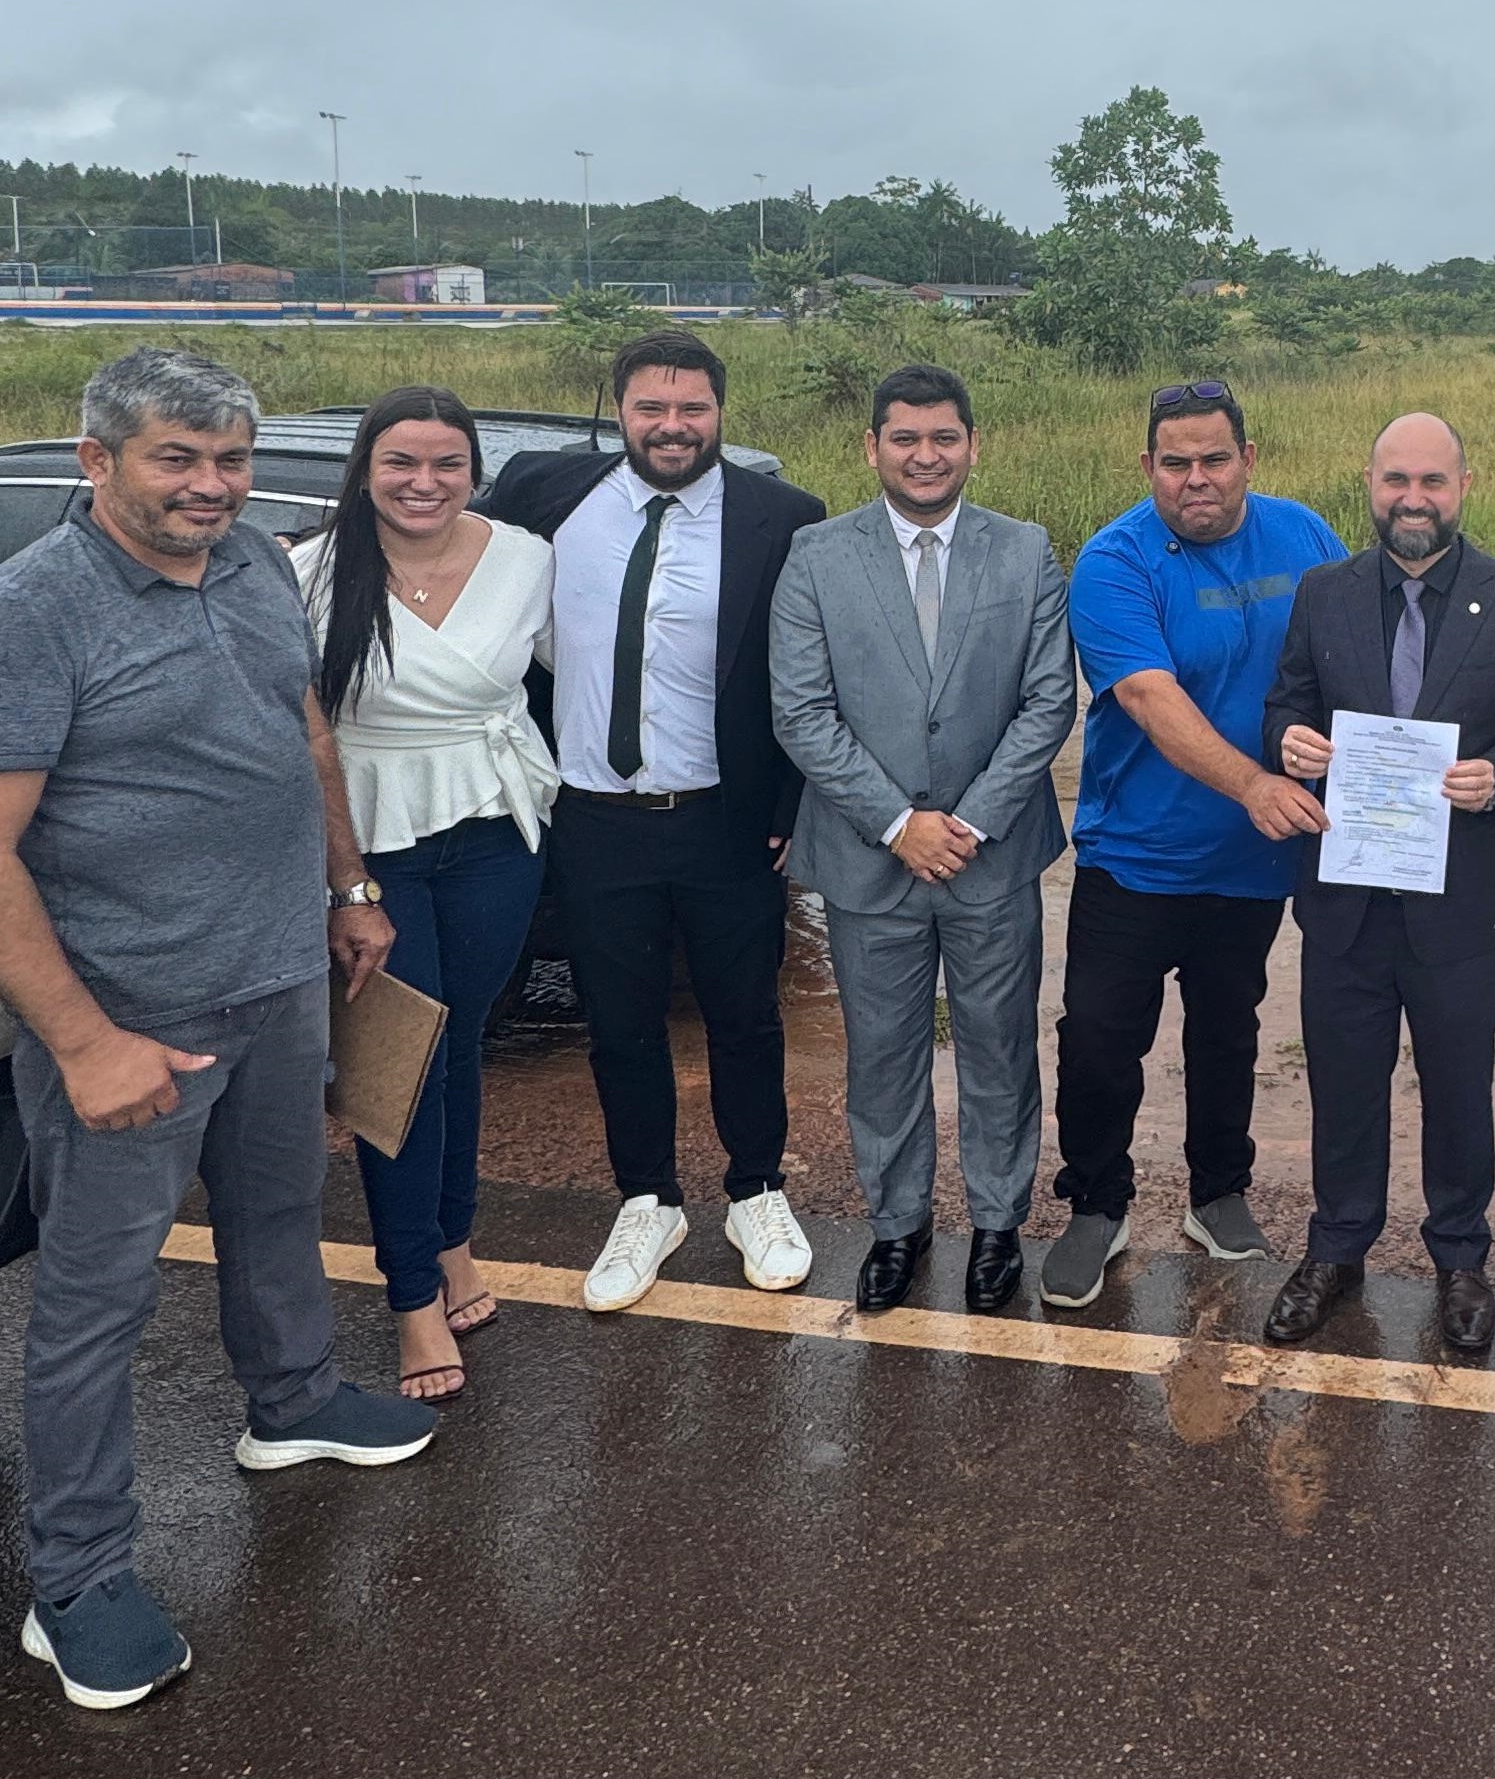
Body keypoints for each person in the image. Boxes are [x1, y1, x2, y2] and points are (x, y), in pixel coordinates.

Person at [0, 347, 437, 1712]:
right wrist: (87, 1044)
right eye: (177, 459)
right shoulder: (26, 615)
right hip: (136, 1011)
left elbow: (301, 728)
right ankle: (77, 1578)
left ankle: (295, 1402)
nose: (211, 486)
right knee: (97, 1301)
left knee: (278, 1210)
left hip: (279, 975)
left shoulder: (257, 562)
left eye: (230, 460)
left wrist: (347, 886)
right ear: (96, 461)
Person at [482, 330, 827, 1312]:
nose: (672, 426)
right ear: (621, 411)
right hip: (594, 820)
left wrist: (790, 803)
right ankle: (648, 1200)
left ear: (720, 412)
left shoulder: (783, 518)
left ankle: (755, 1191)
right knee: (619, 1022)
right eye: (651, 408)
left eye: (691, 409)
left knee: (744, 1017)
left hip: (726, 820)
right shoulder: (545, 494)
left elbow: (809, 670)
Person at [772, 364, 1076, 1316]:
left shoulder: (1025, 550)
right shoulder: (817, 555)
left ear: (973, 444)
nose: (925, 455)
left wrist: (969, 820)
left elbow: (1048, 701)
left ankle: (997, 1225)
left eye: (944, 437)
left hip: (992, 856)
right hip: (871, 858)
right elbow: (801, 711)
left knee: (999, 1048)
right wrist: (900, 823)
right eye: (904, 437)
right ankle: (897, 1225)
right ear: (872, 447)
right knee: (883, 1055)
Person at [1262, 413, 1495, 1351]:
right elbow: (1288, 699)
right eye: (1396, 480)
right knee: (1344, 1084)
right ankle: (1336, 1249)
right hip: (1346, 897)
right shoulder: (1324, 591)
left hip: (1459, 903)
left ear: (1463, 486)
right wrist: (1287, 741)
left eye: (1432, 481)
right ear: (1369, 482)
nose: (1413, 499)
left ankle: (1460, 1259)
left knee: (1458, 1088)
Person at [1043, 380, 1344, 1309]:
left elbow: (1354, 657)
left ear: (1248, 459)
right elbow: (1148, 696)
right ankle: (1096, 1203)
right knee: (1099, 1034)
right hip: (1136, 854)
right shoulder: (1114, 560)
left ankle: (1218, 1192)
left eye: (1214, 458)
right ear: (1148, 467)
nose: (1196, 478)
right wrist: (1254, 784)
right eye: (1174, 463)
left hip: (1254, 862)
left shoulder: (1304, 536)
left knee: (1228, 1028)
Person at [293, 387, 560, 1400]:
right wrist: (346, 884)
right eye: (401, 462)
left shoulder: (526, 558)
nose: (424, 482)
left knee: (457, 1046)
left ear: (475, 471)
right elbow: (303, 736)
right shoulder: (310, 573)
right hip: (374, 840)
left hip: (496, 829)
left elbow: (593, 670)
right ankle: (411, 1295)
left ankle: (453, 1241)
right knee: (393, 1065)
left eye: (447, 463)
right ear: (365, 468)